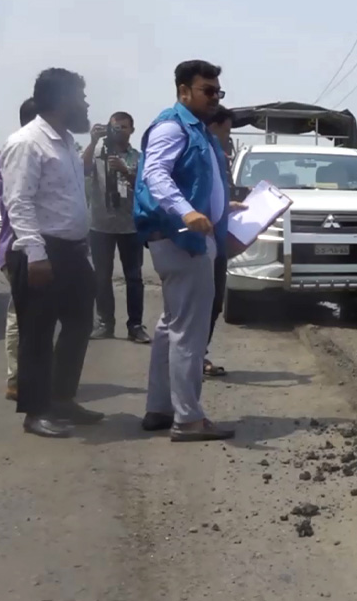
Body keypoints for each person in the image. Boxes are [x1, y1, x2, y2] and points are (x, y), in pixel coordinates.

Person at [135, 60, 237, 442]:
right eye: (207, 91)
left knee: (170, 327)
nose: (214, 98)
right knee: (189, 332)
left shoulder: (196, 130)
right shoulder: (172, 126)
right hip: (183, 239)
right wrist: (188, 211)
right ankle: (188, 418)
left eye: (218, 92)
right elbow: (156, 175)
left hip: (187, 237)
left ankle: (160, 409)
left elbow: (199, 181)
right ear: (183, 91)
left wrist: (226, 207)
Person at [0, 69, 102, 438]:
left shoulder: (66, 142)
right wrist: (36, 254)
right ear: (62, 99)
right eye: (81, 96)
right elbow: (19, 202)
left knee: (78, 325)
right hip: (41, 251)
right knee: (37, 333)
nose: (86, 103)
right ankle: (35, 412)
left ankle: (61, 400)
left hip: (73, 251)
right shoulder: (27, 142)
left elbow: (71, 199)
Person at [84, 112, 150, 344]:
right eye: (114, 127)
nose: (118, 131)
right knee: (101, 277)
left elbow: (144, 187)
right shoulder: (98, 155)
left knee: (134, 277)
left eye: (123, 127)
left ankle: (135, 325)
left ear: (132, 130)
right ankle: (105, 323)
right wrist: (92, 141)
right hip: (100, 225)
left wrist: (125, 170)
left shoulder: (138, 157)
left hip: (130, 226)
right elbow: (80, 169)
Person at [0, 97, 38, 401]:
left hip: (36, 248)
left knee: (35, 316)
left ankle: (31, 375)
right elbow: (19, 205)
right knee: (19, 315)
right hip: (21, 248)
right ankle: (17, 379)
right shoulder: (21, 150)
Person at [202, 105, 234, 377]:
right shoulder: (205, 153)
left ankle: (198, 354)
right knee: (203, 303)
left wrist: (228, 205)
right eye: (226, 131)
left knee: (214, 304)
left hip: (219, 240)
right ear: (214, 128)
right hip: (205, 241)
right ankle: (194, 357)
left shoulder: (216, 154)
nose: (229, 137)